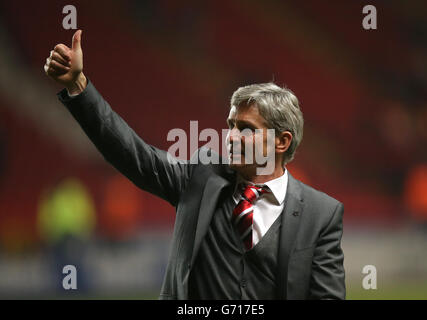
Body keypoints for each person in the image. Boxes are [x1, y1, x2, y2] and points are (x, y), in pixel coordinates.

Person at [44, 30, 345, 299]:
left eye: (247, 129)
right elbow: (132, 154)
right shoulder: (201, 177)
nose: (232, 136)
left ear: (282, 141)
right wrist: (78, 87)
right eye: (231, 125)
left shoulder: (321, 215)